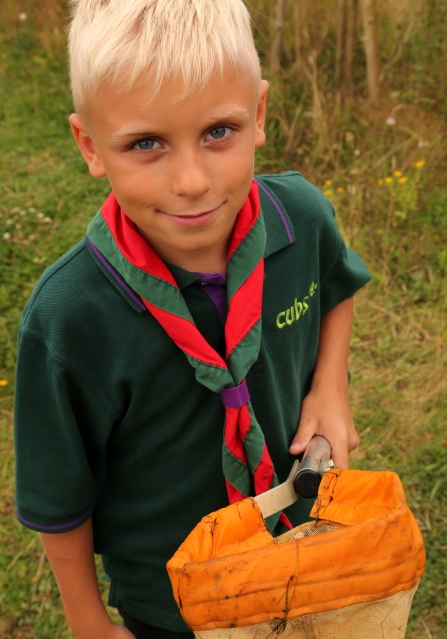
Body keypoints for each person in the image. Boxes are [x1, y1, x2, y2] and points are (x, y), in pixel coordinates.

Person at [13, 0, 371, 637]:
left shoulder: (303, 220)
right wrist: (87, 618)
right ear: (90, 145)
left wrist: (330, 385)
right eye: (145, 143)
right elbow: (58, 495)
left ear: (258, 114)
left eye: (217, 132)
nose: (191, 181)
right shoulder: (69, 318)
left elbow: (336, 283)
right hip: (170, 597)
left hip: (302, 549)